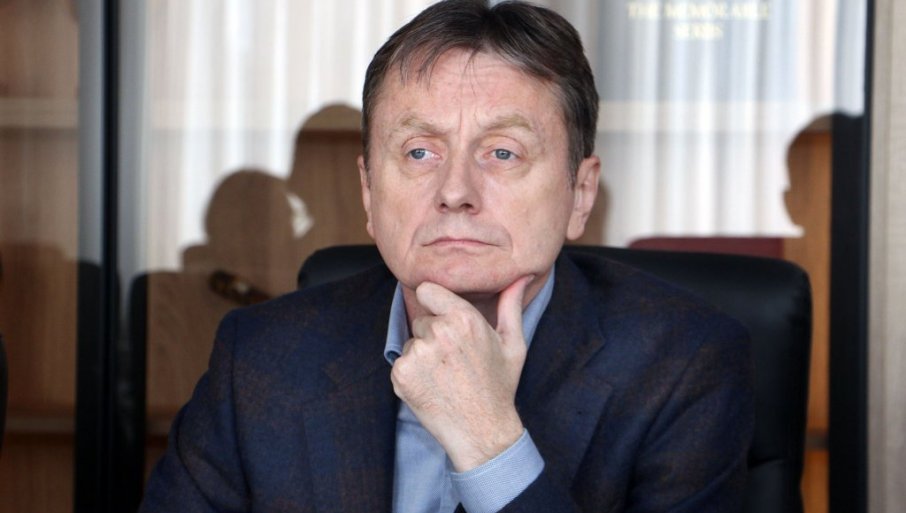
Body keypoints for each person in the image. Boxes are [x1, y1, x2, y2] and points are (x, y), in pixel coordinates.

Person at [140, 1, 753, 511]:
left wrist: (489, 442)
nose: (455, 191)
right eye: (419, 153)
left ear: (580, 194)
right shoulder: (260, 359)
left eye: (503, 153)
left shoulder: (682, 367)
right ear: (369, 194)